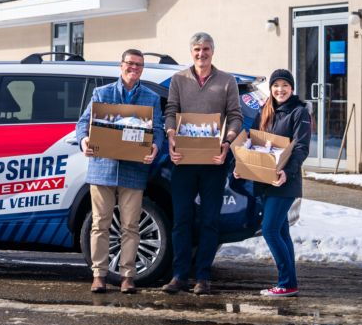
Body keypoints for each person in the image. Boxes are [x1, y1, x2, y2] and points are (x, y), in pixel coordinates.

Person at [76, 49, 164, 294]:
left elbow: (156, 128)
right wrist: (84, 141)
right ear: (121, 65)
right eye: (130, 64)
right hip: (102, 167)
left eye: (139, 65)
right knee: (99, 224)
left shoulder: (150, 97)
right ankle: (99, 275)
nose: (134, 68)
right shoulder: (102, 93)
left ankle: (127, 276)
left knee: (130, 226)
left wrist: (155, 146)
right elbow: (83, 123)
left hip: (133, 169)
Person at [162, 32, 243, 295]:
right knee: (181, 220)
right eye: (197, 49)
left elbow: (235, 117)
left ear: (212, 51)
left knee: (210, 221)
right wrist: (172, 138)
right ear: (191, 52)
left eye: (206, 49)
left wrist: (227, 143)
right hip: (184, 160)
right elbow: (171, 111)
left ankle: (203, 277)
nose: (201, 53)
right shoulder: (179, 79)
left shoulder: (227, 81)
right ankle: (179, 275)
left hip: (213, 161)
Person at [235, 68, 311, 297]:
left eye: (285, 85)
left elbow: (301, 148)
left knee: (269, 230)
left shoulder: (299, 112)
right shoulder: (265, 110)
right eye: (276, 86)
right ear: (271, 89)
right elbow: (255, 144)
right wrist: (243, 166)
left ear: (292, 88)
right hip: (265, 180)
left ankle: (286, 282)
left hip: (284, 182)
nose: (280, 90)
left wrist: (287, 171)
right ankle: (290, 283)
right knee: (281, 231)